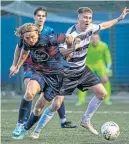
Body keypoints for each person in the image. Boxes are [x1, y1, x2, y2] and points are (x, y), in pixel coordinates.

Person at [30, 7, 129, 139]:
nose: (87, 20)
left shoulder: (91, 28)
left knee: (102, 94)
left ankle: (85, 120)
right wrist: (72, 47)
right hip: (67, 73)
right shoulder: (71, 34)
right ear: (78, 18)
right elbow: (61, 53)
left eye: (89, 18)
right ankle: (36, 131)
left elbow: (104, 25)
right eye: (85, 17)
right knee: (56, 105)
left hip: (82, 70)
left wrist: (119, 18)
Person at [10, 7, 76, 138]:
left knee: (42, 106)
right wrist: (16, 66)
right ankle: (20, 124)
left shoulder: (50, 36)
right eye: (27, 38)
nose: (30, 40)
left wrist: (71, 49)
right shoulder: (27, 36)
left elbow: (68, 38)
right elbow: (22, 52)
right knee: (29, 92)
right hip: (36, 69)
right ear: (34, 17)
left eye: (43, 15)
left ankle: (29, 127)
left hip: (56, 74)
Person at [76, 33, 112, 106]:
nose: (95, 40)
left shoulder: (104, 45)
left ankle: (107, 99)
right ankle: (81, 100)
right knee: (83, 82)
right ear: (91, 39)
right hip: (88, 64)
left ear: (99, 39)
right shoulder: (86, 45)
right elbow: (80, 54)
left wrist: (108, 68)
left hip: (100, 64)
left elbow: (108, 58)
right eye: (93, 38)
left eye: (96, 38)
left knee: (105, 80)